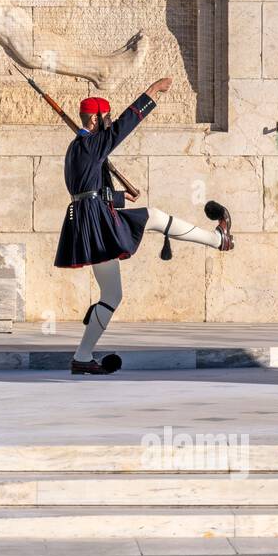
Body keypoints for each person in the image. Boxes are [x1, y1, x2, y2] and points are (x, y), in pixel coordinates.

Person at [56, 77, 235, 376]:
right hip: (97, 223)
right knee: (151, 216)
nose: (110, 122)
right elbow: (122, 128)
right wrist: (150, 94)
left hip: (90, 220)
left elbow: (83, 189)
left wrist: (116, 196)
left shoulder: (77, 148)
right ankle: (218, 239)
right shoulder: (90, 143)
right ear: (97, 118)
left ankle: (83, 357)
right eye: (107, 118)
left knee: (112, 295)